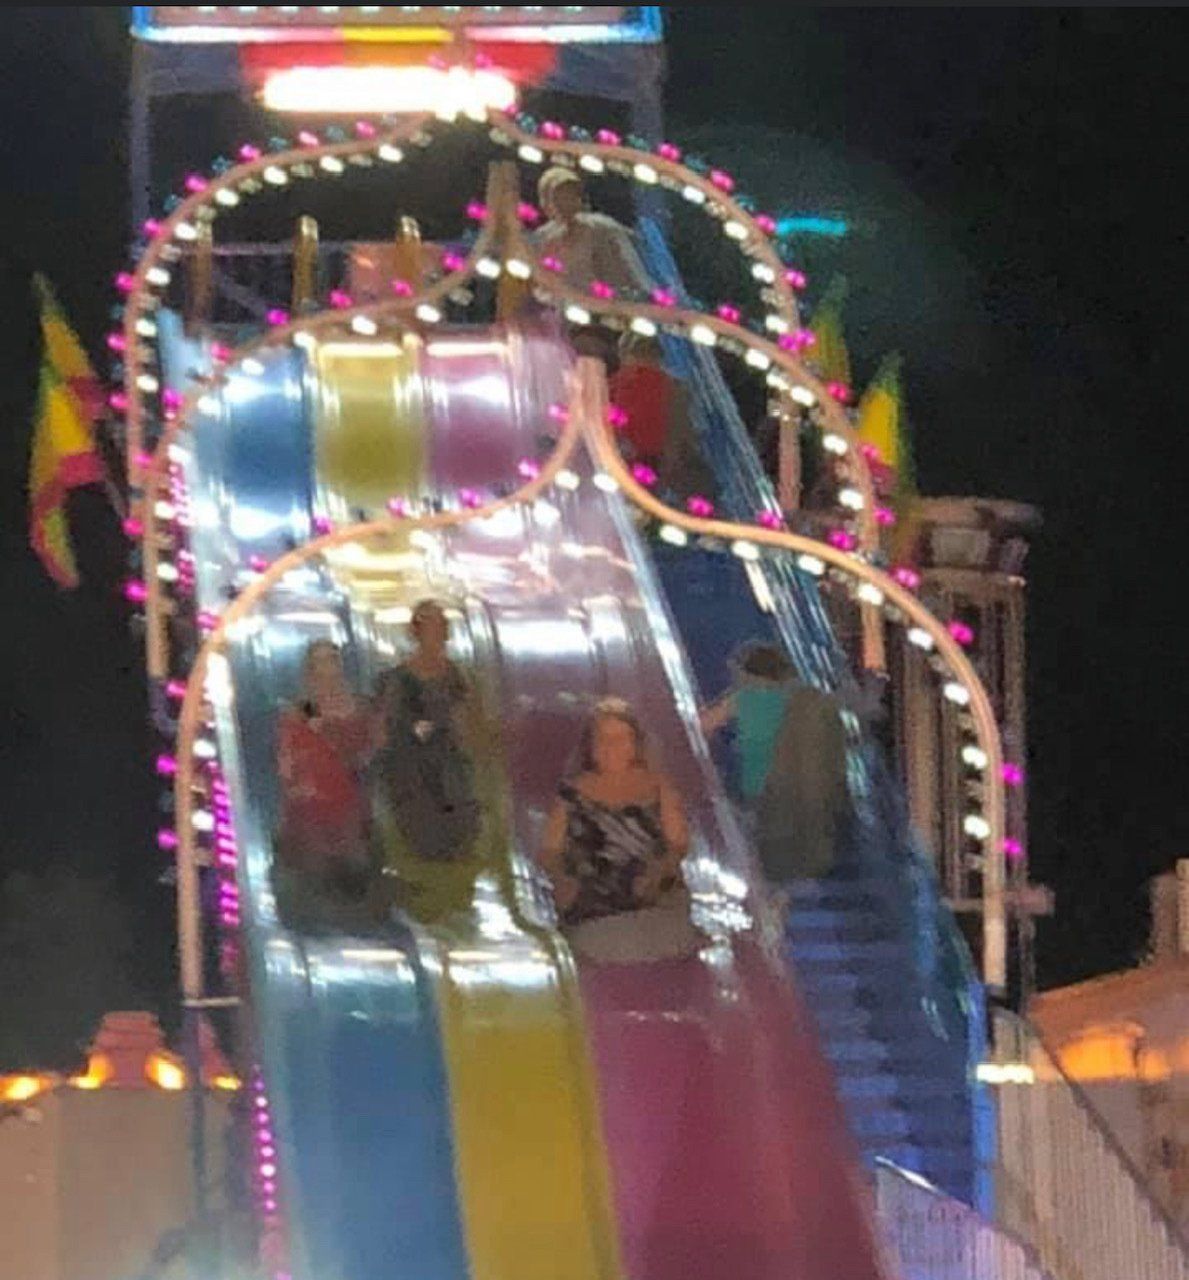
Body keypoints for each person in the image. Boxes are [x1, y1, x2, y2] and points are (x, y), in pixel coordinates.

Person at [538, 699, 699, 962]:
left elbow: (678, 845)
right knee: (599, 943)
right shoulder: (571, 794)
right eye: (603, 739)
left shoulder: (659, 787)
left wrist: (659, 873)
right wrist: (562, 881)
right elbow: (550, 850)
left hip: (651, 893)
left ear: (635, 744)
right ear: (590, 747)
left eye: (621, 739)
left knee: (661, 934)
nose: (612, 747)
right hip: (593, 899)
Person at [702, 646, 849, 883]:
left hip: (762, 790)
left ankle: (776, 897)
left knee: (768, 857)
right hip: (807, 791)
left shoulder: (743, 699)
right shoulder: (812, 700)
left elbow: (702, 726)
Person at [274, 640, 380, 932]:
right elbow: (288, 759)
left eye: (332, 660)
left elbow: (369, 749)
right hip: (310, 809)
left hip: (348, 804)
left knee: (353, 865)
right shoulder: (300, 712)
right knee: (313, 866)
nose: (328, 669)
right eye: (320, 662)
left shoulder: (358, 708)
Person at [374, 601, 484, 868]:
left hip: (451, 775)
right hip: (412, 779)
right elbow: (384, 730)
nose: (437, 635)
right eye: (430, 628)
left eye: (441, 628)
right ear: (416, 633)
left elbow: (470, 727)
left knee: (457, 842)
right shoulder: (395, 680)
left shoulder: (458, 677)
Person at [609, 332, 716, 500]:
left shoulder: (616, 382)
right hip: (653, 462)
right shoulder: (677, 387)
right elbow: (681, 429)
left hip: (624, 457)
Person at [535, 167, 654, 299]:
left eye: (570, 194)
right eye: (557, 196)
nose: (565, 201)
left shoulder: (603, 227)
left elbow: (634, 274)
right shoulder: (543, 238)